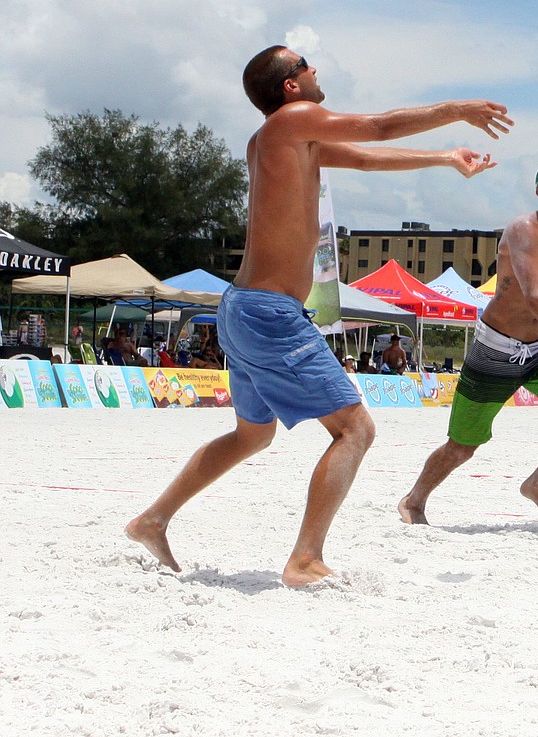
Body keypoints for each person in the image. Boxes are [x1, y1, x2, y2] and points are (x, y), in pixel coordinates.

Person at [127, 43, 512, 587]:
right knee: (355, 428)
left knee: (251, 436)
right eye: (306, 64)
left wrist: (444, 158)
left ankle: (152, 519)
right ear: (291, 85)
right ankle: (304, 559)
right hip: (268, 312)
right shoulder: (293, 120)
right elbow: (376, 129)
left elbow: (362, 156)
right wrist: (457, 109)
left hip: (244, 308)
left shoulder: (275, 139)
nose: (315, 69)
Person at [399, 154, 538, 527]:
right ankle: (415, 500)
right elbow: (533, 295)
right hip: (496, 346)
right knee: (463, 447)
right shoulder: (523, 229)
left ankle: (537, 484)